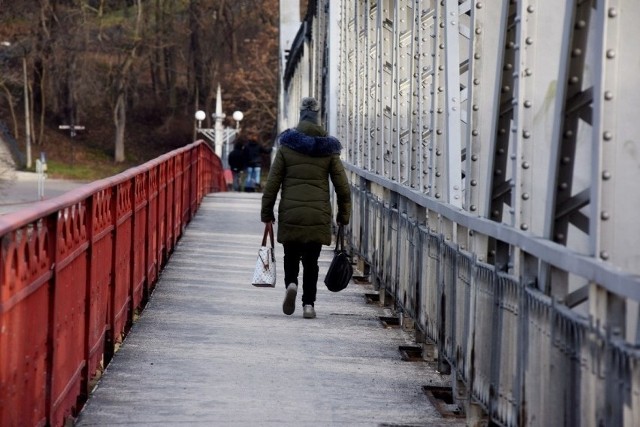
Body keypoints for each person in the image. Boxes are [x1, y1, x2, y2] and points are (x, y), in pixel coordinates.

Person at [261, 97, 351, 319]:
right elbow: (343, 187)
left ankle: (291, 283)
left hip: (291, 212)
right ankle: (308, 304)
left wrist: (267, 212)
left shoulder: (286, 147)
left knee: (291, 256)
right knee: (311, 262)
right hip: (317, 214)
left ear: (300, 116)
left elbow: (272, 184)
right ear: (318, 118)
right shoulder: (329, 150)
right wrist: (343, 215)